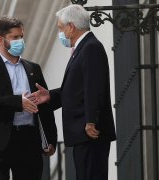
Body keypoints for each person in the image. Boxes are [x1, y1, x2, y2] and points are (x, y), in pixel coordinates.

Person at [28, 4, 116, 180]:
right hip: (83, 134)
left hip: (90, 132)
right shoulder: (81, 49)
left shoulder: (90, 47)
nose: (61, 33)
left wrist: (91, 120)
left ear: (71, 26)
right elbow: (76, 89)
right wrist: (50, 96)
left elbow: (94, 87)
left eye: (61, 28)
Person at [0, 16, 57, 180]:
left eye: (21, 36)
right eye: (15, 37)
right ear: (0, 39)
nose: (20, 41)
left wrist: (50, 138)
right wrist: (18, 102)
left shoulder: (33, 68)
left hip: (29, 141)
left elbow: (45, 106)